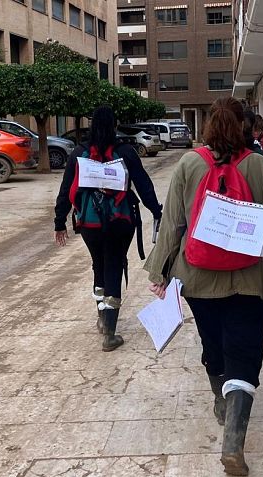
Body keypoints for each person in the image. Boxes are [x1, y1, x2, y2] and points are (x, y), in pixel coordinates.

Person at [144, 97, 263, 477]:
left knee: (214, 345)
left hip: (197, 277)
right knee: (245, 350)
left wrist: (159, 271)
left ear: (208, 127)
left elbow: (173, 222)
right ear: (244, 125)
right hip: (251, 278)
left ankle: (221, 400)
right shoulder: (259, 165)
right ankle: (233, 442)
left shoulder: (189, 164)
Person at [54, 106, 163, 352]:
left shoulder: (79, 153)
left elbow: (65, 189)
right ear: (114, 125)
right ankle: (110, 334)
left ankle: (103, 319)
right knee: (114, 264)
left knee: (99, 265)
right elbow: (144, 185)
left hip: (89, 223)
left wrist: (59, 222)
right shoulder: (126, 152)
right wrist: (157, 211)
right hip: (119, 222)